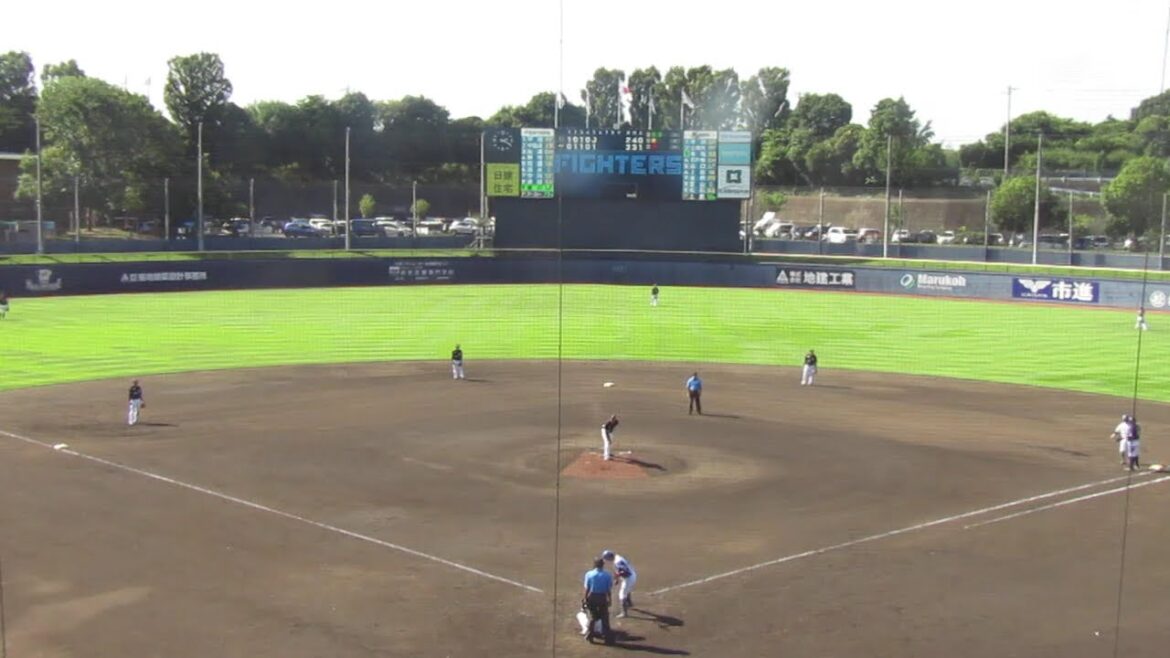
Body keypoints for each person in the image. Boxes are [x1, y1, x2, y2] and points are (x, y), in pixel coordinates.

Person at [581, 557, 614, 644]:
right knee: (605, 617)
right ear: (603, 565)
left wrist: (585, 598)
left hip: (592, 597)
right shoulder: (607, 575)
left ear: (595, 564)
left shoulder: (589, 574)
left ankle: (590, 636)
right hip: (602, 597)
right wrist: (610, 599)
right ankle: (607, 637)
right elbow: (608, 589)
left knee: (593, 617)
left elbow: (587, 588)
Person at [601, 550, 637, 618]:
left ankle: (624, 613)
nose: (606, 560)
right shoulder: (617, 557)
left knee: (622, 595)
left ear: (609, 557)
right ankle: (629, 603)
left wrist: (617, 575)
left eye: (606, 558)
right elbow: (620, 570)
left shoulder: (617, 562)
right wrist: (617, 578)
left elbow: (625, 571)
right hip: (632, 575)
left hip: (628, 578)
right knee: (627, 590)